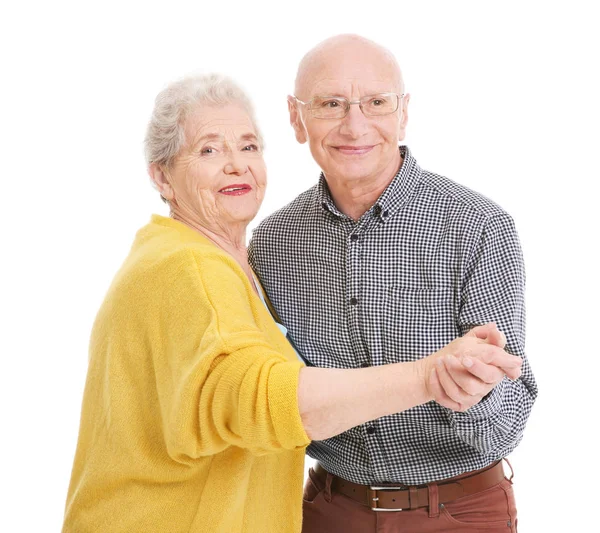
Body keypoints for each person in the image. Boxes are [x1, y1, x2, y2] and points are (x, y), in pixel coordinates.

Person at [61, 73, 521, 533]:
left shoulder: (221, 259)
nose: (236, 165)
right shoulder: (192, 268)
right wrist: (428, 375)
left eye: (248, 146)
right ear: (162, 175)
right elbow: (269, 402)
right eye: (208, 150)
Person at [249, 35, 538, 532]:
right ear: (297, 118)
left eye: (376, 103)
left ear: (403, 113)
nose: (354, 125)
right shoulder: (272, 242)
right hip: (326, 510)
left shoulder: (479, 227)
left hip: (459, 512)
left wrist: (472, 390)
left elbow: (506, 420)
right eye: (330, 104)